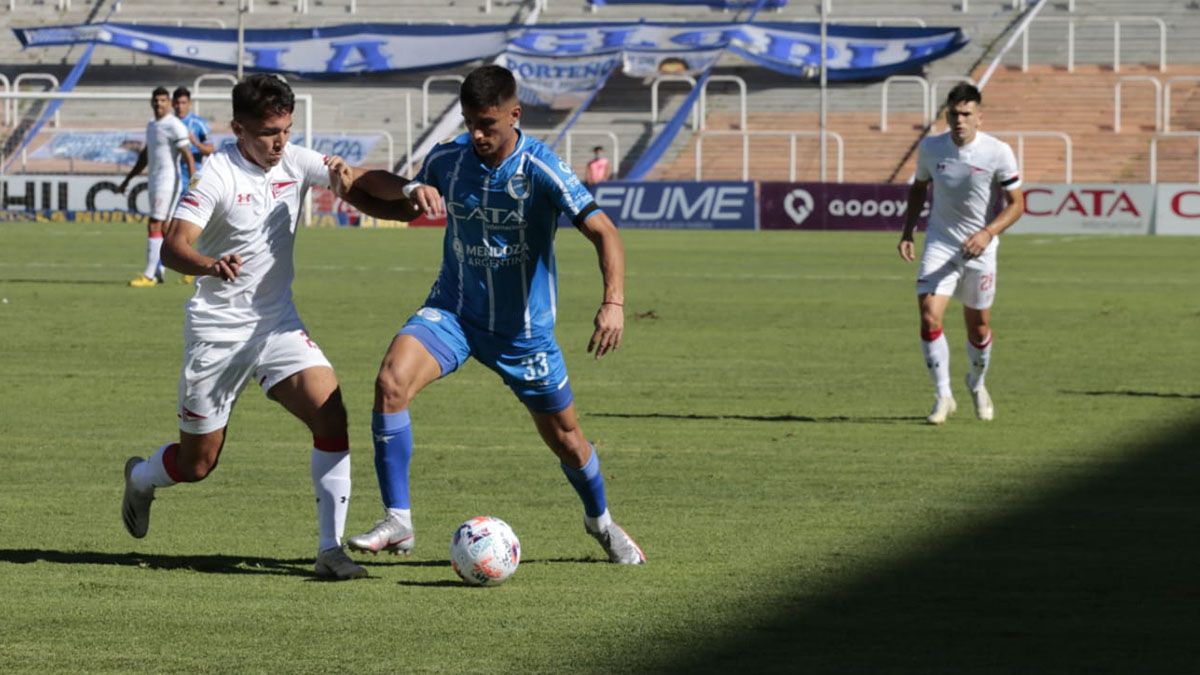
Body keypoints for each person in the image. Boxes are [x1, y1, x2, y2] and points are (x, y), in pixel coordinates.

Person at [331, 64, 645, 565]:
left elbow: (604, 231)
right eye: (470, 122)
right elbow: (405, 204)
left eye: (488, 124)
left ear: (514, 115)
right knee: (391, 383)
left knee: (567, 440)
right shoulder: (449, 159)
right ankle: (399, 520)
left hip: (523, 335)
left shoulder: (540, 167)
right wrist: (360, 189)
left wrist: (613, 303)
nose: (476, 134)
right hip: (453, 312)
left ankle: (601, 522)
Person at [119, 74, 367, 581]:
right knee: (198, 465)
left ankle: (329, 549)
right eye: (268, 132)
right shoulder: (216, 175)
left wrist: (355, 175)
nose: (279, 141)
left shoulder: (293, 160)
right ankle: (142, 477)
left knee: (332, 415)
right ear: (238, 128)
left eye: (286, 130)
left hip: (277, 324)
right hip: (218, 332)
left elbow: (347, 175)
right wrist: (209, 264)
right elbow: (173, 246)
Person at [897, 83, 1025, 425]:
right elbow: (919, 189)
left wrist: (987, 233)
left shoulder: (997, 152)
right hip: (940, 243)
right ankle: (943, 396)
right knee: (928, 315)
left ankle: (976, 382)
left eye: (966, 114)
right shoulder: (931, 147)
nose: (959, 121)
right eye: (953, 114)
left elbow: (1017, 205)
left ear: (979, 117)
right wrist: (908, 231)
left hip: (981, 250)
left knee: (979, 328)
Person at [118, 86, 196, 287]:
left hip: (168, 181)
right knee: (167, 229)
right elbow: (145, 156)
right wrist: (128, 179)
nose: (159, 104)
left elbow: (187, 154)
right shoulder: (152, 125)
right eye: (156, 100)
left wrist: (194, 181)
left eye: (163, 100)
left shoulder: (174, 125)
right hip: (154, 180)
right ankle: (181, 268)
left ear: (169, 103)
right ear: (151, 102)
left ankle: (149, 275)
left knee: (154, 224)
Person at [173, 87, 215, 285]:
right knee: (168, 224)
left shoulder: (198, 123)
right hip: (171, 178)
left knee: (192, 224)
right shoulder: (169, 123)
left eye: (183, 103)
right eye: (177, 103)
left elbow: (211, 149)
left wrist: (195, 143)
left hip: (194, 178)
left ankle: (192, 266)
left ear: (189, 104)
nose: (180, 107)